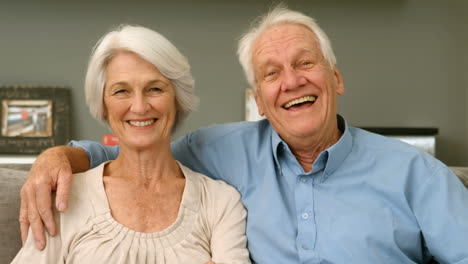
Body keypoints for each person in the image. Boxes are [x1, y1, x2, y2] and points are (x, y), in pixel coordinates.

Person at [20, 6, 468, 264]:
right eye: (272, 73)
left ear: (336, 77)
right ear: (260, 95)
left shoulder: (416, 174)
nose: (291, 82)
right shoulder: (221, 152)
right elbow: (136, 150)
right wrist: (58, 158)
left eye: (305, 63)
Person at [13, 24, 250, 263]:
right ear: (104, 105)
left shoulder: (220, 202)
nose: (139, 107)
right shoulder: (65, 197)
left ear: (177, 100)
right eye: (121, 91)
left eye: (155, 89)